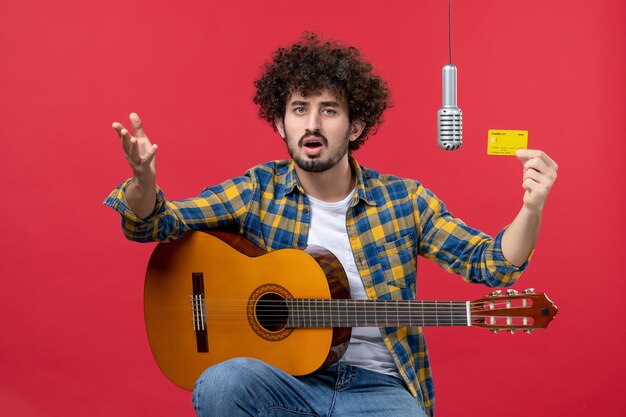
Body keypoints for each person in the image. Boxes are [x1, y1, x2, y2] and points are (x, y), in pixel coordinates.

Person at [105, 33, 557, 417]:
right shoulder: (257, 190)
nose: (312, 123)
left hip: (379, 390)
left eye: (329, 109)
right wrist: (142, 185)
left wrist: (531, 209)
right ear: (280, 124)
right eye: (299, 108)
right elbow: (157, 223)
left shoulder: (404, 200)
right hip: (284, 382)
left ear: (356, 125)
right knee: (222, 383)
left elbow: (491, 266)